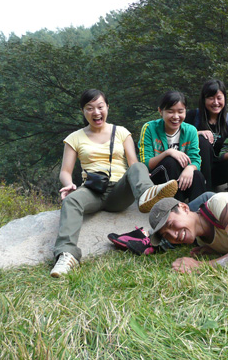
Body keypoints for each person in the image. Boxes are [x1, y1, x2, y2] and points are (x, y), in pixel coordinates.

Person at [52, 89, 178, 277]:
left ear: (107, 107)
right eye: (90, 108)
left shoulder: (121, 132)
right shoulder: (74, 138)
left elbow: (133, 163)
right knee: (71, 201)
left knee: (138, 167)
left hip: (119, 190)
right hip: (92, 190)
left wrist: (141, 176)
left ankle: (146, 194)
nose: (96, 112)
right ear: (83, 111)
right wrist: (69, 184)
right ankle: (67, 254)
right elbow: (65, 171)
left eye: (100, 107)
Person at [138, 91, 206, 202]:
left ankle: (196, 210)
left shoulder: (191, 130)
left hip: (181, 180)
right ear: (160, 111)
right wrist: (168, 152)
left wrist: (190, 168)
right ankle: (176, 206)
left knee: (197, 175)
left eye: (180, 111)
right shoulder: (149, 128)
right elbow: (146, 164)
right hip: (157, 183)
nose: (176, 117)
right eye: (170, 112)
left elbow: (195, 160)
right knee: (170, 161)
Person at [185, 79, 228, 191]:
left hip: (218, 170)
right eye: (211, 98)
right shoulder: (193, 116)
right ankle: (205, 191)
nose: (216, 102)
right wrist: (197, 133)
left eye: (219, 98)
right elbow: (178, 136)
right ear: (204, 99)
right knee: (202, 140)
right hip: (196, 170)